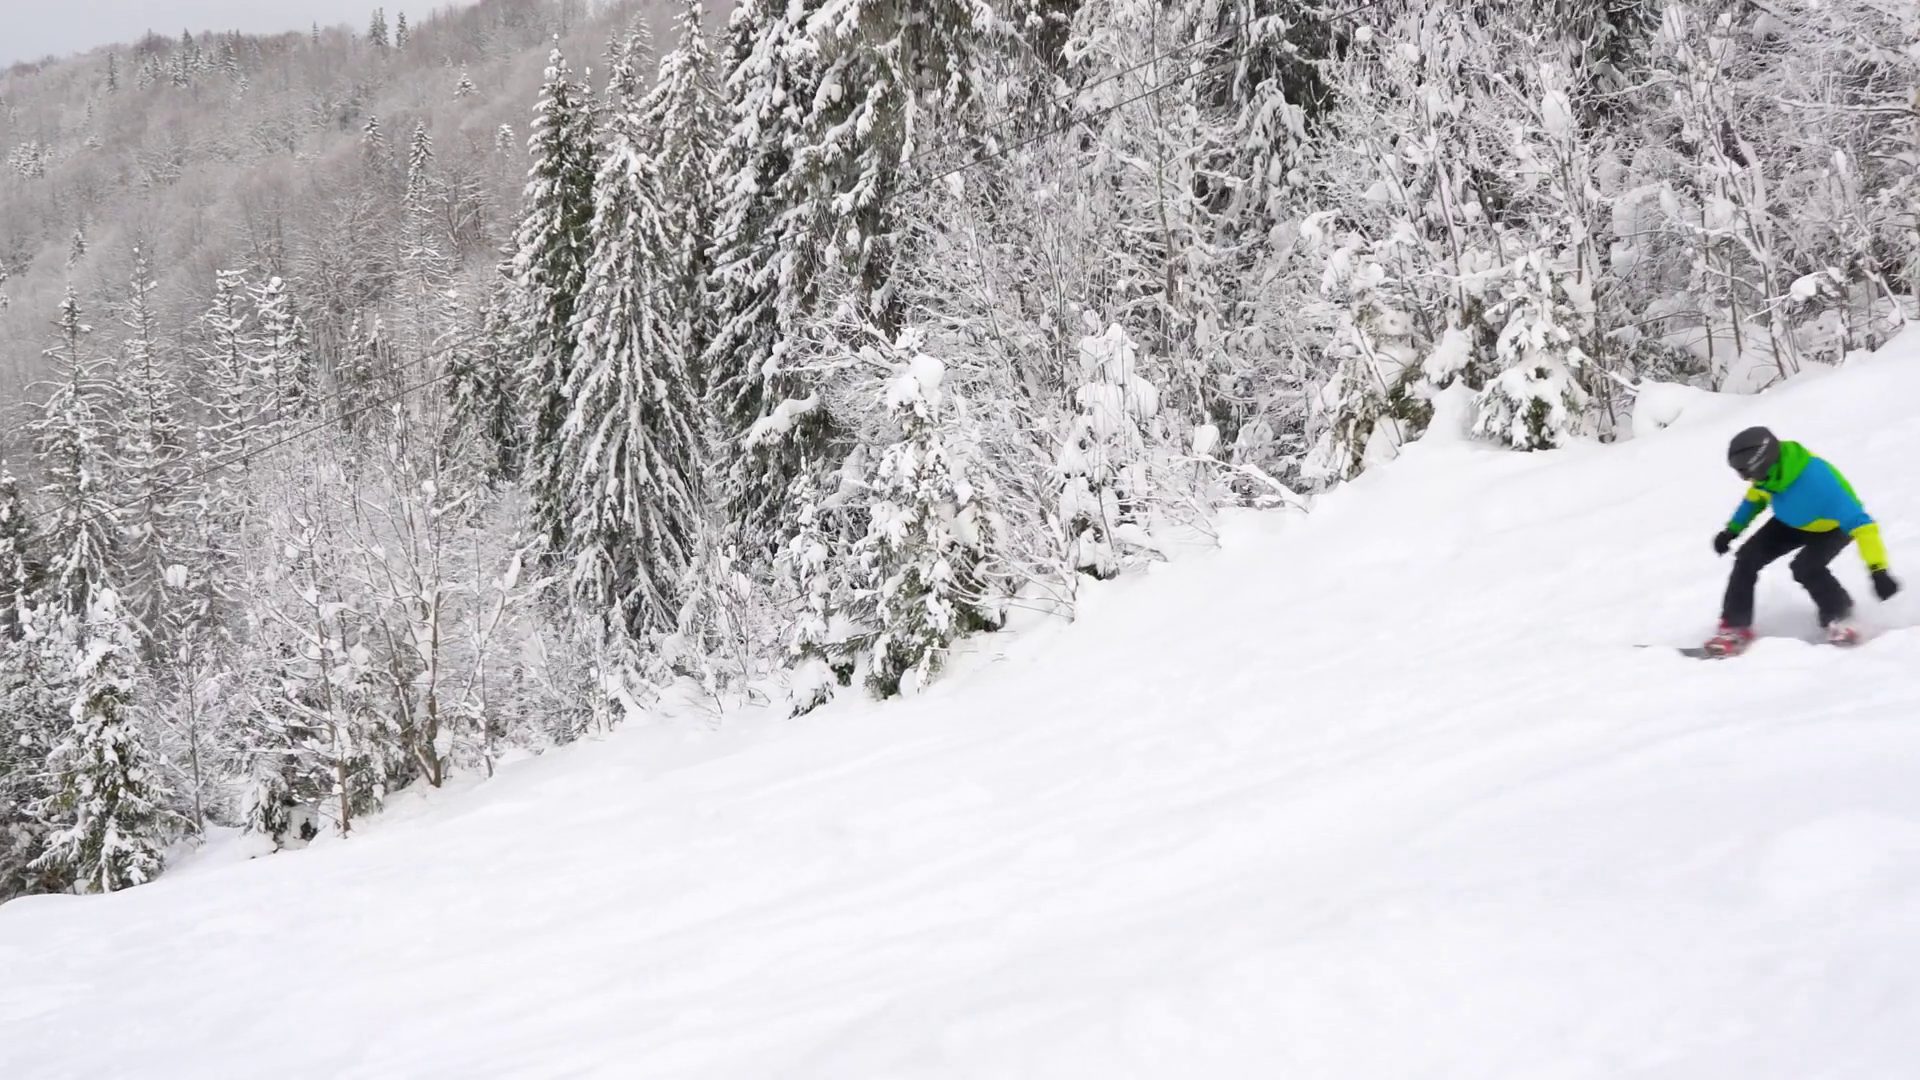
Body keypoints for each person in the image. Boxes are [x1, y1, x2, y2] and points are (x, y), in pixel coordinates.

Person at [1705, 427, 1899, 656]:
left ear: (1761, 462)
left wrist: (1878, 570)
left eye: (1745, 472)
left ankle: (1841, 618)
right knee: (1747, 558)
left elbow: (1863, 526)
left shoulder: (1819, 484)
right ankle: (1735, 628)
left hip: (1831, 527)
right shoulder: (1768, 476)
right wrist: (1731, 531)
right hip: (1790, 522)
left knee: (1806, 567)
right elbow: (1754, 500)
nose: (1745, 479)